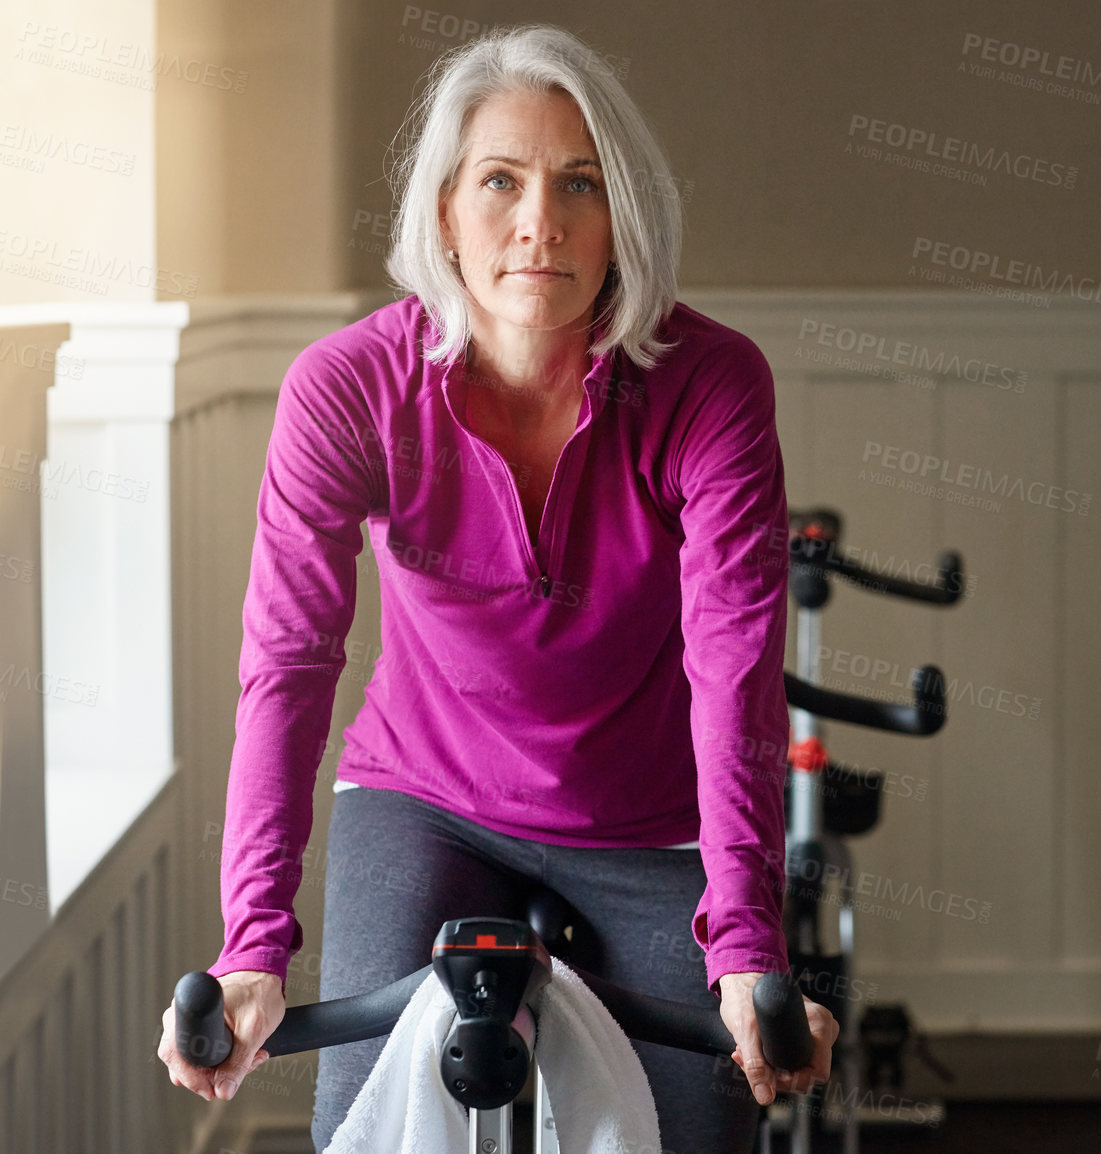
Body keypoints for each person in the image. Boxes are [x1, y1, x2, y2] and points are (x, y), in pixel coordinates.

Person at [155, 23, 837, 1151]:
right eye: (500, 182)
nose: (541, 222)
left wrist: (748, 946)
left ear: (621, 216)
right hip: (427, 793)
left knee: (698, 1126)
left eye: (580, 183)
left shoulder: (711, 385)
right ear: (443, 217)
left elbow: (734, 668)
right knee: (363, 1118)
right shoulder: (347, 389)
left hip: (650, 822)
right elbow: (289, 662)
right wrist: (251, 943)